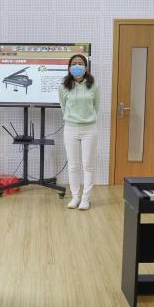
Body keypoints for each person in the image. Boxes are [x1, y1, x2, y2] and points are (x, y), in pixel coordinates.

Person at [59, 54, 99, 210]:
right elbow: (63, 106)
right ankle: (75, 197)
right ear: (69, 67)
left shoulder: (93, 85)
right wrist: (72, 118)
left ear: (85, 67)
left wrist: (87, 118)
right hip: (70, 128)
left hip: (89, 129)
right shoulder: (63, 86)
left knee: (88, 165)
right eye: (74, 63)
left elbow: (97, 106)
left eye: (80, 63)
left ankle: (86, 199)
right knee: (73, 166)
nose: (77, 66)